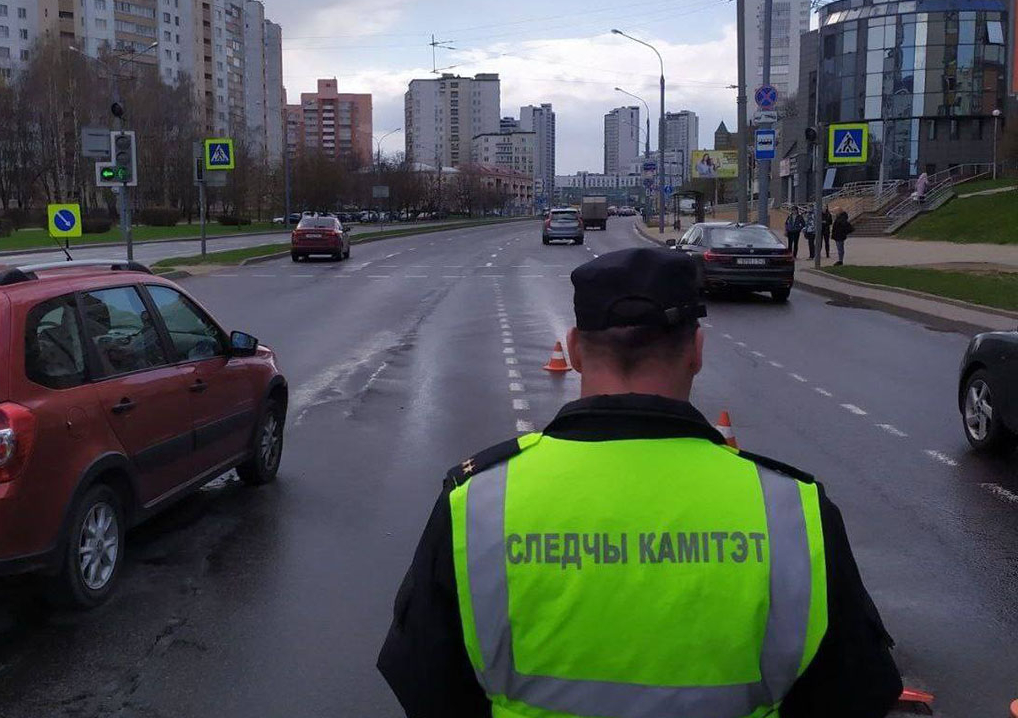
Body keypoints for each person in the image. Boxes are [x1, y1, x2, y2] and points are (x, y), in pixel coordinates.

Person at [378, 247, 902, 718]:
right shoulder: (791, 509)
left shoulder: (478, 502)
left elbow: (424, 685)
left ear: (576, 350)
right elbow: (856, 694)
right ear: (697, 350)